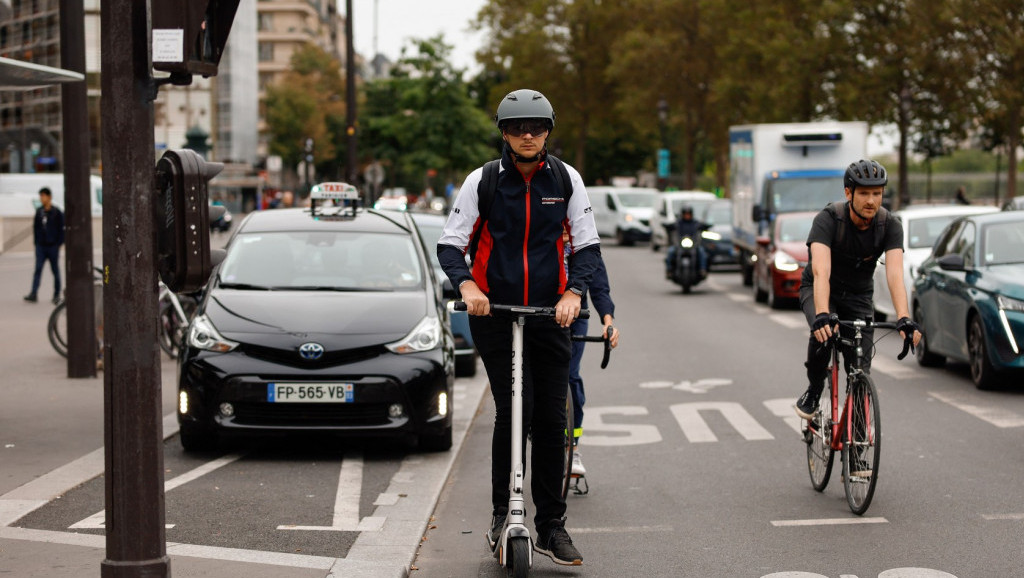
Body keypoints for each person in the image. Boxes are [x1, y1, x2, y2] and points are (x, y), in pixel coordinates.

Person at [438, 89, 602, 567]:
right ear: (504, 134)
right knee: (514, 410)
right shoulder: (483, 181)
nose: (527, 135)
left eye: (536, 127)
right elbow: (451, 244)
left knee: (552, 419)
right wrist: (468, 286)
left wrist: (573, 294)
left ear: (548, 130)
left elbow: (587, 248)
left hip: (553, 315)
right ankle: (502, 515)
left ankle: (552, 526)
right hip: (495, 314)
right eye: (517, 128)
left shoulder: (567, 180)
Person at [794, 160, 922, 431]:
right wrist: (821, 315)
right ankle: (815, 389)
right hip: (820, 289)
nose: (871, 201)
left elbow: (895, 274)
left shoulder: (890, 226)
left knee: (860, 370)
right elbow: (820, 271)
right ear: (848, 193)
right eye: (864, 193)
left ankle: (858, 448)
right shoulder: (829, 219)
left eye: (877, 193)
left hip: (859, 296)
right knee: (823, 336)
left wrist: (904, 318)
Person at [562, 228, 619, 478]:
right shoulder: (539, 239)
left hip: (576, 316)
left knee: (571, 378)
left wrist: (608, 322)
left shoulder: (583, 244)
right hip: (541, 315)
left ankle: (573, 448)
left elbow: (599, 288)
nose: (565, 228)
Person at [24, 187, 65, 304]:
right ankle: (33, 293)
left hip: (52, 246)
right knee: (38, 269)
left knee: (55, 270)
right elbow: (36, 228)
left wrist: (58, 243)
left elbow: (62, 230)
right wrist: (36, 243)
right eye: (40, 196)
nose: (42, 198)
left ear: (49, 197)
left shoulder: (57, 212)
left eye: (43, 196)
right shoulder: (39, 211)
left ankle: (56, 294)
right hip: (41, 246)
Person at [664, 205, 707, 279]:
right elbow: (671, 226)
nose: (687, 216)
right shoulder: (678, 223)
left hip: (693, 245)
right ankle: (669, 270)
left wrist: (705, 226)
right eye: (685, 214)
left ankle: (702, 270)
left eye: (688, 214)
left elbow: (702, 226)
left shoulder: (695, 223)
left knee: (702, 252)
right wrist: (666, 226)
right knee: (670, 252)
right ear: (682, 214)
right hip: (680, 245)